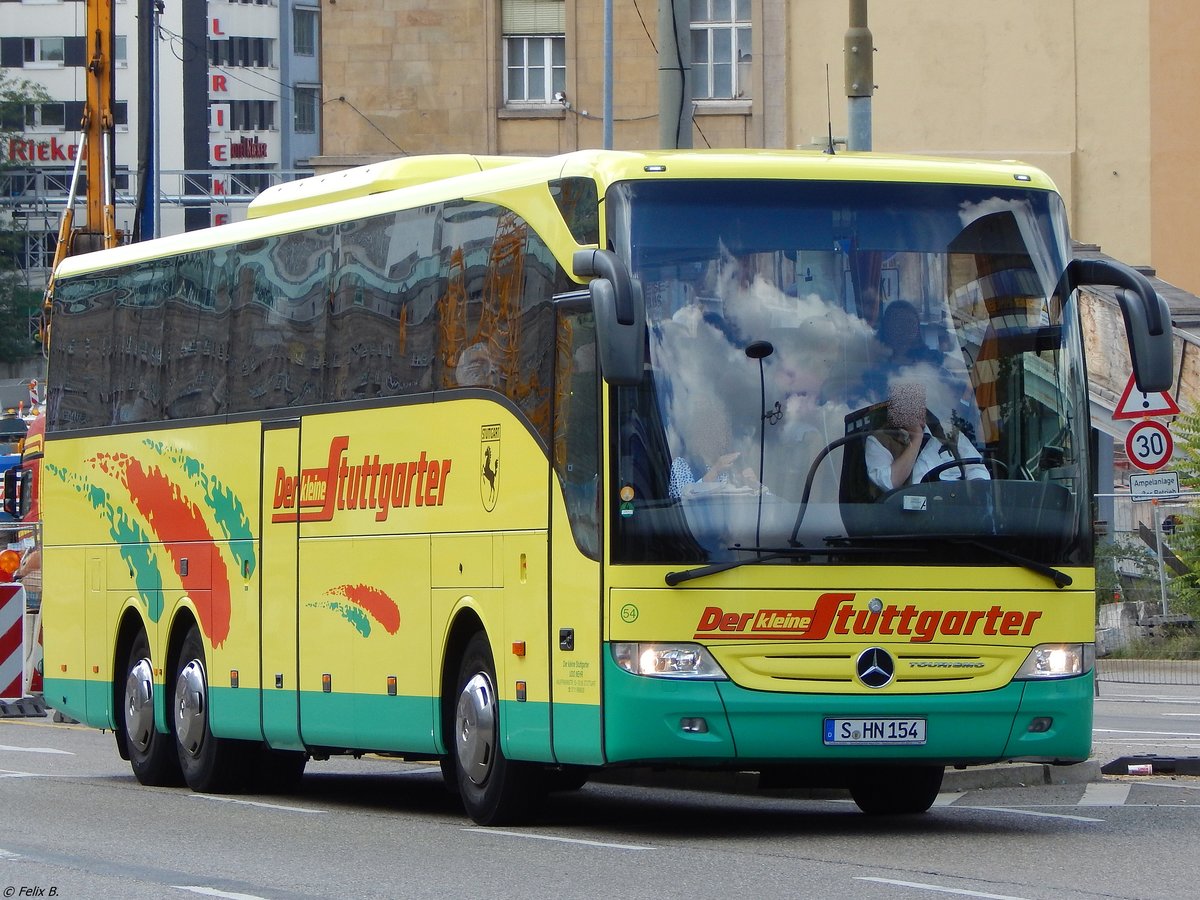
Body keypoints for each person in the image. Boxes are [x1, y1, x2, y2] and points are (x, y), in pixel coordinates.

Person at [864, 381, 989, 494]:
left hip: (958, 505)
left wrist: (974, 493)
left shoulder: (948, 432)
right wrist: (917, 438)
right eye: (908, 406)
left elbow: (977, 467)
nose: (917, 411)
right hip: (914, 512)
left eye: (919, 404)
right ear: (895, 412)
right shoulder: (880, 440)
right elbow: (889, 483)